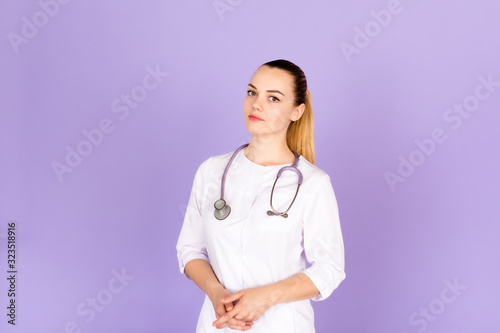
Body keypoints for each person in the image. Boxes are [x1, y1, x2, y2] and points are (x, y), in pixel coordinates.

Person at [176, 59, 346, 332]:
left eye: (273, 98)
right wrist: (216, 293)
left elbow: (330, 268)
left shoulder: (313, 184)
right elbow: (190, 249)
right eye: (252, 92)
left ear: (296, 111)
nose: (256, 104)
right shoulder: (211, 171)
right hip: (218, 324)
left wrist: (266, 298)